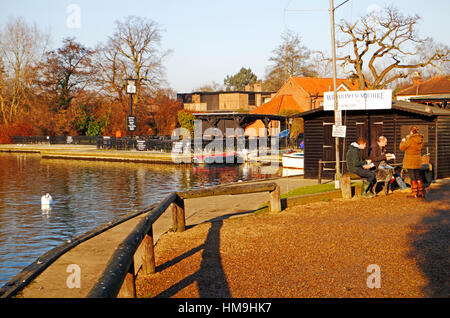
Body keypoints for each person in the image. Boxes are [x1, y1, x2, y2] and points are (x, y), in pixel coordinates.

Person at [399, 126, 424, 198]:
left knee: (412, 177)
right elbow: (421, 147)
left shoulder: (409, 139)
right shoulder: (420, 139)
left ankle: (414, 193)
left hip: (410, 160)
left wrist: (403, 140)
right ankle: (421, 192)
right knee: (418, 176)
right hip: (418, 159)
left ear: (411, 131)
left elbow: (402, 147)